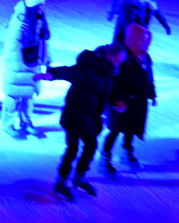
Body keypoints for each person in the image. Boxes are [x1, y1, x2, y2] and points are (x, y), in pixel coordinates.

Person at [37, 43, 128, 202]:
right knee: (73, 149)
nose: (119, 64)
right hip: (75, 114)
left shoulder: (110, 71)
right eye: (117, 60)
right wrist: (51, 74)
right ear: (109, 55)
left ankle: (79, 178)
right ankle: (61, 182)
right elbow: (70, 72)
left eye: (121, 61)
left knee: (90, 147)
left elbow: (109, 92)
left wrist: (116, 102)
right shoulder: (89, 65)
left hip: (91, 118)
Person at [102, 24, 156, 178]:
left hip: (139, 101)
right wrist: (117, 100)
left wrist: (152, 94)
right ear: (131, 40)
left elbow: (149, 78)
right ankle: (105, 158)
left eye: (145, 40)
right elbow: (115, 81)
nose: (144, 43)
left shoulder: (145, 57)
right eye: (140, 40)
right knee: (116, 129)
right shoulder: (122, 57)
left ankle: (127, 151)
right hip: (122, 103)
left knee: (132, 127)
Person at [1, 0, 50, 139]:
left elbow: (44, 42)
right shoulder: (19, 20)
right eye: (40, 5)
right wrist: (16, 65)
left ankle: (26, 122)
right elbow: (12, 44)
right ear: (33, 6)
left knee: (28, 95)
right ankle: (8, 125)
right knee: (13, 95)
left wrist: (46, 60)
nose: (42, 8)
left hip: (33, 62)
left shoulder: (40, 20)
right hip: (18, 64)